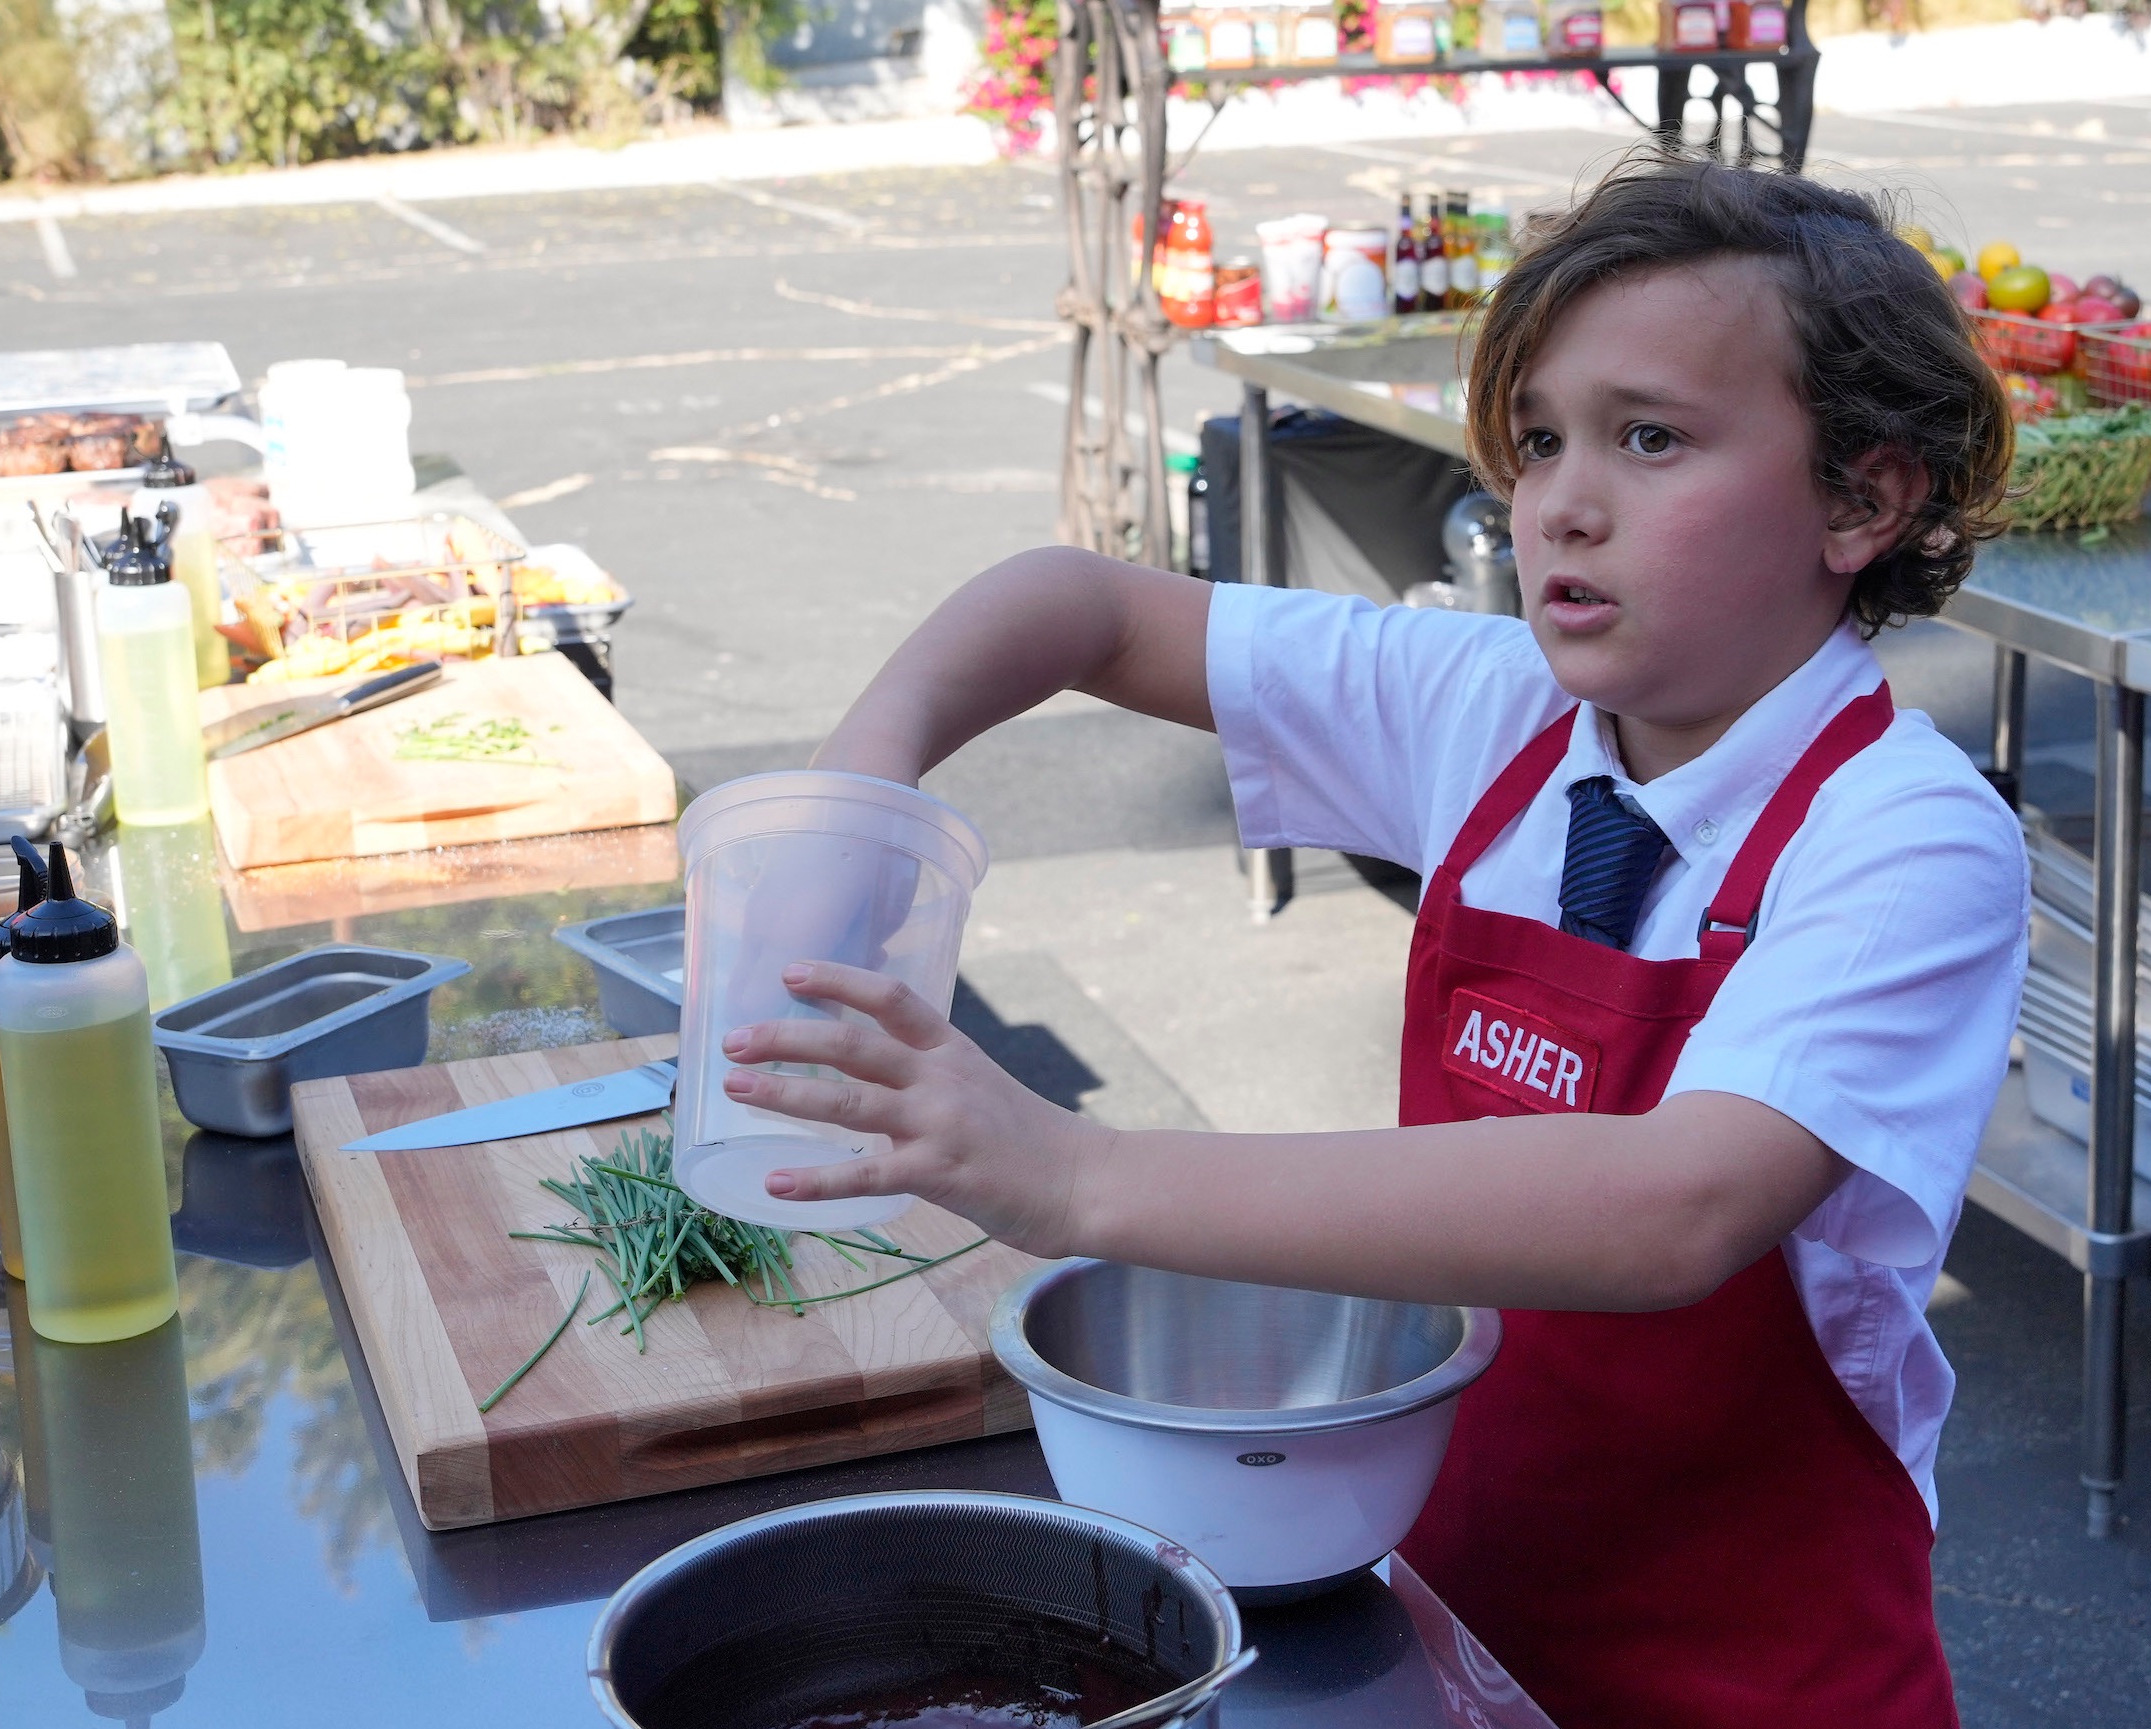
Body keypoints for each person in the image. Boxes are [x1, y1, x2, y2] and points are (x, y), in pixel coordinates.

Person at [727, 156, 2014, 1726]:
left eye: (1649, 438)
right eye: (1538, 439)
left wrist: (1075, 1174)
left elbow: (1674, 1206)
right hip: (1453, 1631)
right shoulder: (1494, 709)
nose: (1562, 502)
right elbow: (1075, 606)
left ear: (1862, 499)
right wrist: (849, 803)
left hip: (1764, 1682)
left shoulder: (1906, 836)